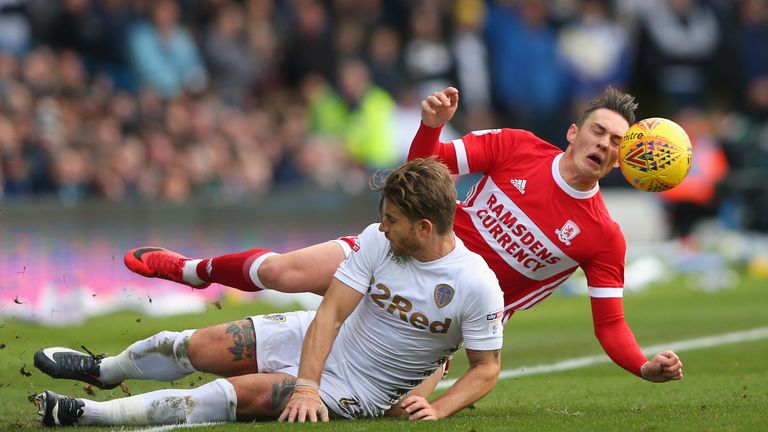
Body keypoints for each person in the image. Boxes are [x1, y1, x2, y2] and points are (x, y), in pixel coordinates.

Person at [125, 86, 684, 384]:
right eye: (598, 131)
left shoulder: (603, 237)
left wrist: (643, 365)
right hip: (400, 250)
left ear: (623, 161)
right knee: (280, 273)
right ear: (574, 131)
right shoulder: (515, 147)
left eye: (616, 142)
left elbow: (610, 326)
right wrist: (431, 125)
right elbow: (424, 169)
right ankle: (190, 270)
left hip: (444, 319)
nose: (604, 144)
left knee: (398, 409)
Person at [33, 158, 504, 426]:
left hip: (356, 389)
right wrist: (305, 382)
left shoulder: (476, 283)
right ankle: (104, 369)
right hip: (315, 338)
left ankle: (88, 415)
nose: (381, 225)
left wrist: (439, 407)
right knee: (194, 344)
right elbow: (331, 315)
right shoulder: (380, 240)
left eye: (393, 219)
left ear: (424, 228)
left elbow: (486, 368)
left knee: (233, 396)